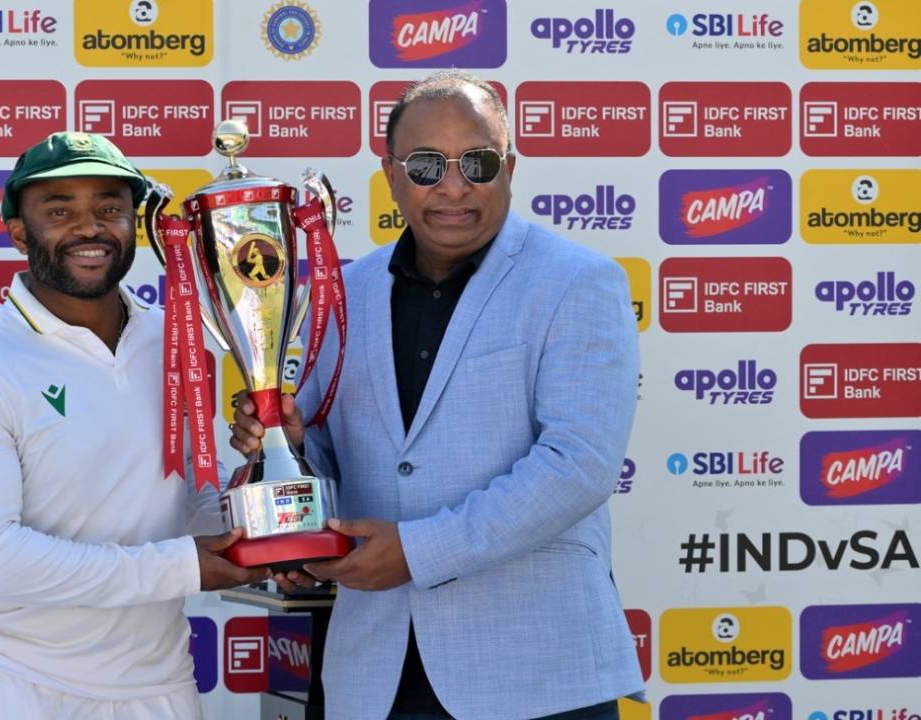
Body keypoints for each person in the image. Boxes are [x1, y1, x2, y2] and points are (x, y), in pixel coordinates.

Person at [231, 70, 644, 720]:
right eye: (426, 165)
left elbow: (579, 465)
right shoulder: (342, 293)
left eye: (476, 162)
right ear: (391, 173)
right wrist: (289, 474)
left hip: (537, 673)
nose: (453, 187)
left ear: (508, 167)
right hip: (374, 675)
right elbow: (329, 462)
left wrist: (418, 552)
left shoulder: (579, 281)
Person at [0, 131, 265, 719]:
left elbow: (192, 499)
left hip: (159, 686)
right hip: (19, 687)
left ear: (136, 225)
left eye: (109, 209)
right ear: (18, 233)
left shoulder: (177, 340)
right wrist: (182, 566)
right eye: (60, 212)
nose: (89, 228)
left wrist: (263, 492)